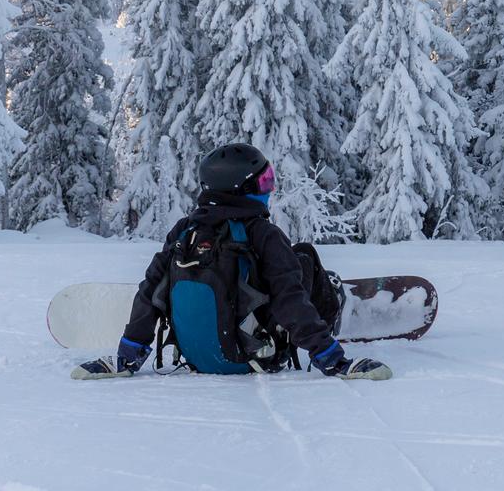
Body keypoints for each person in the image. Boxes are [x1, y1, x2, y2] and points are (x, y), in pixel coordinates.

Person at [70, 142, 391, 380]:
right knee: (304, 256)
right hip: (255, 356)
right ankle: (332, 306)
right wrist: (331, 358)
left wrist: (127, 355)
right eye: (264, 182)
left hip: (198, 359)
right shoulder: (264, 234)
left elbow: (150, 291)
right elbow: (288, 299)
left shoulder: (185, 232)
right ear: (244, 190)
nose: (269, 188)